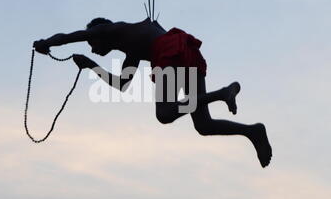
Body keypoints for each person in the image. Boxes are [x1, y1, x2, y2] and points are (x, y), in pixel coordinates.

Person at [33, 17, 272, 167]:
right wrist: (91, 66)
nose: (93, 49)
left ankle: (221, 94)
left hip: (167, 50)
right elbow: (121, 84)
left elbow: (69, 37)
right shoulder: (132, 49)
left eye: (92, 45)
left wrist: (46, 43)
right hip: (185, 50)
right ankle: (252, 131)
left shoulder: (110, 30)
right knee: (204, 125)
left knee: (165, 114)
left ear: (99, 33)